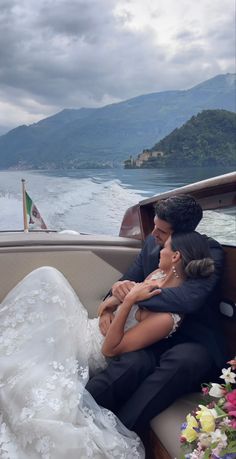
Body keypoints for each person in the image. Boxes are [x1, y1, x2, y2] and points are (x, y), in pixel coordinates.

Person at [0, 231, 214, 458]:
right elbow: (107, 306)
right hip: (89, 326)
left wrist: (130, 299)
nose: (159, 249)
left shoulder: (168, 318)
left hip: (94, 347)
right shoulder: (156, 274)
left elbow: (109, 349)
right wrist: (113, 302)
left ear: (175, 257)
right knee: (47, 277)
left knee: (28, 375)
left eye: (165, 247)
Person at [86, 194, 226, 432]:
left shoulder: (208, 251)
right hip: (150, 332)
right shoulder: (152, 245)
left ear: (181, 234)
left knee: (182, 361)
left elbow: (189, 299)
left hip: (193, 337)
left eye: (161, 231)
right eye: (154, 226)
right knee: (132, 363)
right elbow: (125, 281)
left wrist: (135, 297)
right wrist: (112, 301)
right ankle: (81, 412)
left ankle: (122, 433)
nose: (153, 234)